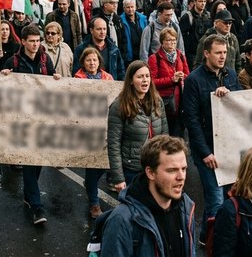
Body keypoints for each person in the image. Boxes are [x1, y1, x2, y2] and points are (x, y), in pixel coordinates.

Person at [183, 34, 241, 244]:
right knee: (216, 199)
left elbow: (240, 106)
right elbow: (192, 120)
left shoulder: (231, 75)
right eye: (218, 53)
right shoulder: (194, 80)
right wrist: (205, 152)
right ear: (206, 54)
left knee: (223, 196)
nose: (222, 56)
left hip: (228, 148)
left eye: (225, 52)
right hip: (207, 149)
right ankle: (216, 244)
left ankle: (203, 236)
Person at [1, 24, 61, 225]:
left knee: (38, 162)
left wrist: (56, 79)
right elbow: (1, 87)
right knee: (29, 161)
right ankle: (37, 207)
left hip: (42, 118)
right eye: (32, 41)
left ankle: (28, 194)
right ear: (23, 42)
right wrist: (5, 77)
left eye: (38, 41)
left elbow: (53, 82)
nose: (35, 45)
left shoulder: (46, 61)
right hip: (23, 120)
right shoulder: (14, 61)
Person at [100, 135, 196, 256]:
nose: (181, 177)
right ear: (150, 173)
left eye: (184, 169)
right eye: (172, 170)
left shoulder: (186, 207)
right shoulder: (122, 220)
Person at [107, 60, 169, 194]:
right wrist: (118, 178)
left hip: (154, 167)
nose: (145, 80)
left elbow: (165, 136)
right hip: (132, 170)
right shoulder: (119, 106)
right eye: (140, 77)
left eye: (147, 76)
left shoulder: (157, 101)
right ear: (130, 80)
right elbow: (113, 144)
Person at [73, 46, 113, 219]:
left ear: (99, 61)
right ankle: (94, 204)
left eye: (94, 60)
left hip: (105, 127)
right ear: (83, 62)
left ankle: (90, 184)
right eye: (88, 60)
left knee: (105, 163)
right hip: (87, 129)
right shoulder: (77, 78)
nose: (91, 62)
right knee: (92, 165)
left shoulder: (108, 78)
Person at [148, 27, 190, 138]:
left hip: (180, 101)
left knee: (179, 133)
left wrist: (182, 77)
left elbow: (188, 76)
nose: (171, 43)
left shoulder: (181, 56)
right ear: (162, 42)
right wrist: (171, 79)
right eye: (168, 40)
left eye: (173, 40)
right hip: (163, 102)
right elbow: (151, 82)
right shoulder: (154, 58)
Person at [179, 0, 211, 68]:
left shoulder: (208, 16)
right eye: (200, 1)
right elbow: (181, 37)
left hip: (205, 52)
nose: (203, 3)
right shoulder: (187, 17)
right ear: (195, 2)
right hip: (192, 54)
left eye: (204, 1)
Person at [120, 0, 148, 65]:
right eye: (128, 7)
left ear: (135, 7)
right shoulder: (120, 20)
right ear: (124, 8)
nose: (130, 9)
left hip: (141, 51)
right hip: (129, 54)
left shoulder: (143, 18)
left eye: (132, 7)